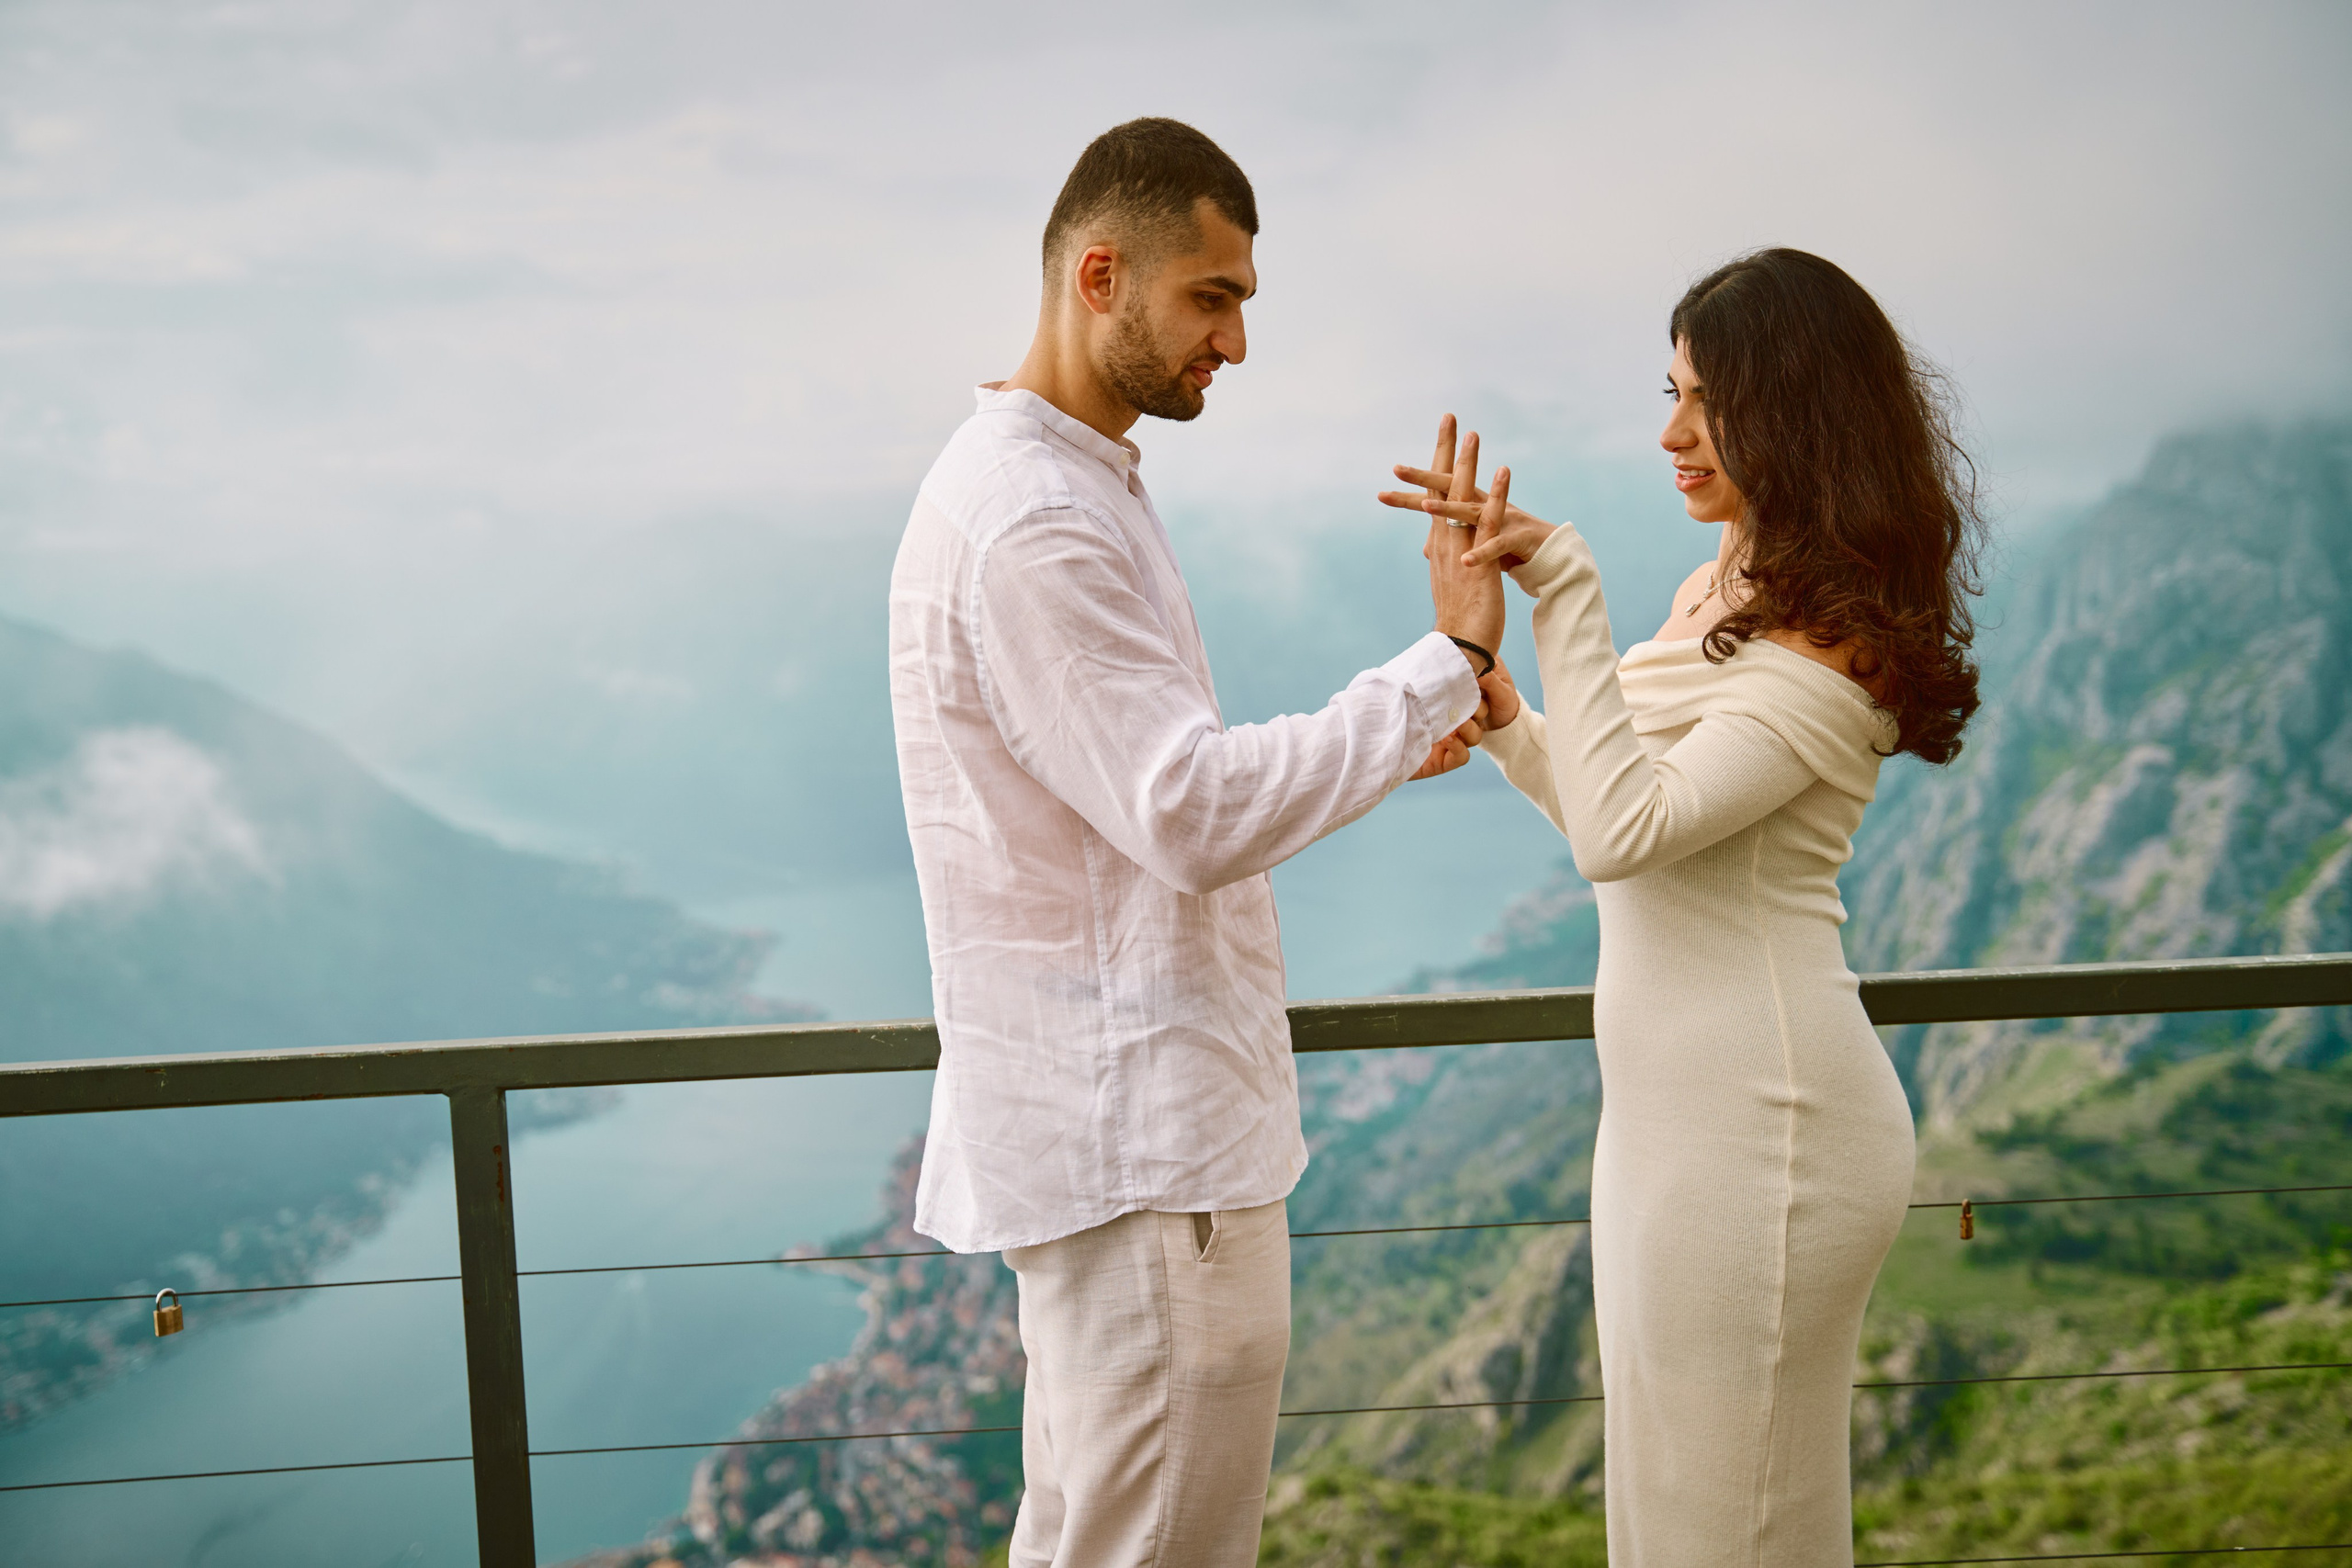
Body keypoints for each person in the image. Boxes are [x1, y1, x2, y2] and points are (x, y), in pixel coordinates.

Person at [888, 118, 1497, 1567]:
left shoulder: (1058, 484)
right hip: (1150, 1162)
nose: (1234, 340)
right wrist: (1445, 665)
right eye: (1209, 298)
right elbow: (1191, 813)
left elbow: (1135, 800)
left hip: (1123, 1157)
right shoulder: (1038, 517)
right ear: (1100, 274)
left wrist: (1405, 744)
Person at [1385, 248, 1984, 1566]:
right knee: (1677, 1524)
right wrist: (1502, 720)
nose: (1671, 433)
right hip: (1665, 1130)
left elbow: (1624, 834)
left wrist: (1567, 588)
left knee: (1737, 1530)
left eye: (1706, 404)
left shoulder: (1834, 646)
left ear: (1798, 413)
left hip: (1765, 1135)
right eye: (1671, 394)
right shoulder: (1719, 591)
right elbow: (1638, 830)